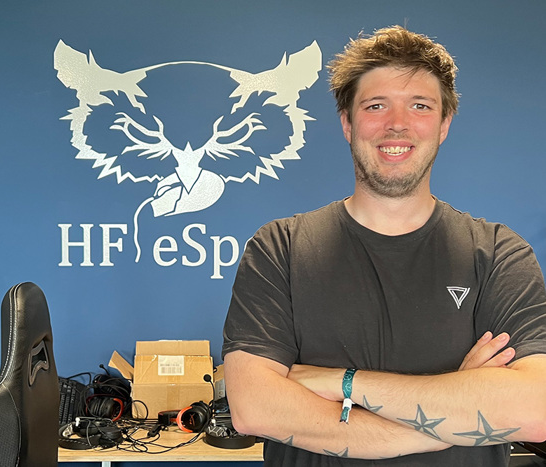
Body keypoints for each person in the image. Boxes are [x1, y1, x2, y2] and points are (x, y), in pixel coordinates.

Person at [221, 25, 546, 466]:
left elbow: (534, 409)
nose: (397, 123)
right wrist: (453, 417)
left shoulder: (498, 254)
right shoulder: (280, 249)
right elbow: (254, 408)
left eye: (420, 106)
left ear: (444, 125)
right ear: (347, 123)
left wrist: (344, 383)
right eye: (376, 105)